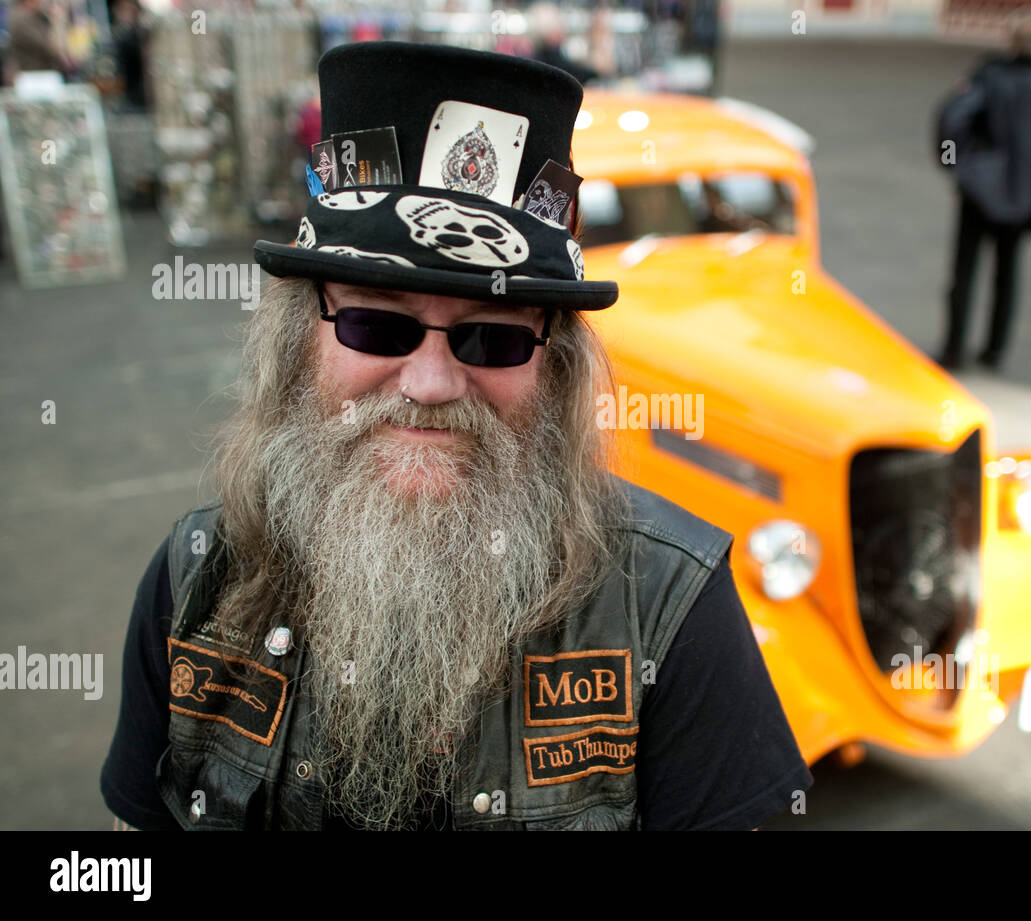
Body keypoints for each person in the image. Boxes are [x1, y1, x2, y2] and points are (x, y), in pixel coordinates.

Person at [100, 41, 811, 831]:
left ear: (557, 370)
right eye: (376, 324)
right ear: (300, 341)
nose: (432, 385)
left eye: (494, 339)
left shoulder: (672, 611)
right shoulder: (194, 584)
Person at [934, 8, 1031, 370]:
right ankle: (995, 349)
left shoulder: (988, 77)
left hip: (980, 192)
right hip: (1022, 196)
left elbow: (952, 118)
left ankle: (954, 348)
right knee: (1007, 274)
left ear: (1011, 40)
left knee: (964, 270)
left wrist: (957, 168)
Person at [5, 0, 67, 80]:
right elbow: (52, 49)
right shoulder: (20, 19)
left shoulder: (38, 17)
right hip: (31, 77)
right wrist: (57, 22)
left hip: (43, 76)